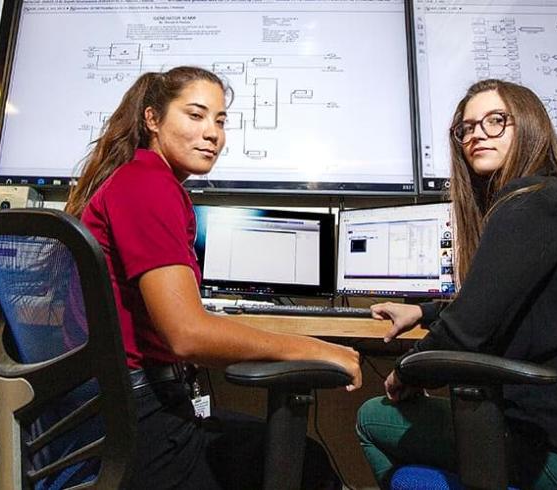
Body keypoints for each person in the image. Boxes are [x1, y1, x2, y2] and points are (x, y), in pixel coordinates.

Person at [64, 66, 362, 489]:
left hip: (109, 416)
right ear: (152, 119)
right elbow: (187, 335)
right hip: (139, 424)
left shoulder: (134, 179)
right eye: (195, 115)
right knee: (306, 464)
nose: (212, 134)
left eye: (220, 121)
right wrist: (313, 349)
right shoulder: (147, 184)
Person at [356, 79, 557, 489]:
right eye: (467, 128)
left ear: (529, 125)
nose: (477, 134)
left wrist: (406, 372)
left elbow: (463, 334)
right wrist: (424, 311)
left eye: (495, 121)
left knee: (372, 417)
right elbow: (504, 300)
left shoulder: (530, 202)